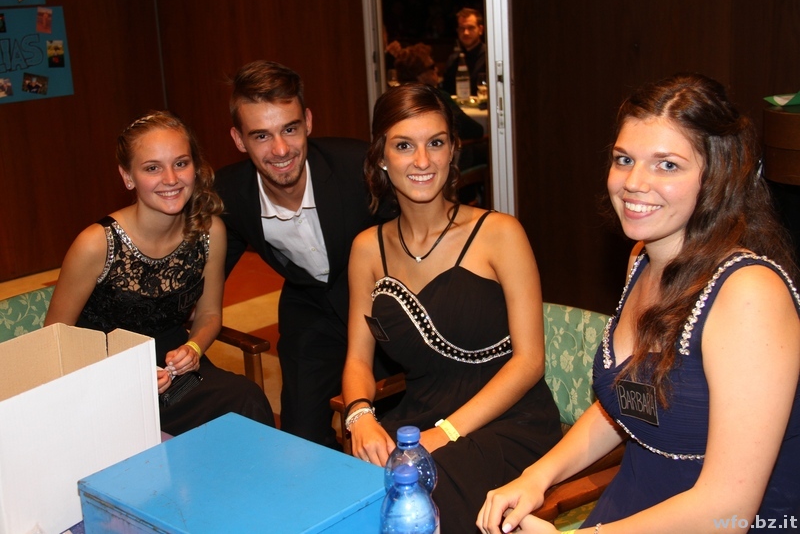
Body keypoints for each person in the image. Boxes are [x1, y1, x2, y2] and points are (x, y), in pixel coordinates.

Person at [478, 74, 800, 534]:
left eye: (667, 165)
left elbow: (728, 510)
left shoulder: (750, 295)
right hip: (634, 502)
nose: (634, 182)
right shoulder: (641, 259)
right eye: (624, 159)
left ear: (718, 176)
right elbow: (628, 401)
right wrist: (536, 476)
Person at [342, 83, 562, 534]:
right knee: (348, 499)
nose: (423, 161)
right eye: (404, 145)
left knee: (415, 506)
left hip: (508, 423)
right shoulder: (367, 249)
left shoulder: (500, 234)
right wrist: (360, 415)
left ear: (453, 150)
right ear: (381, 156)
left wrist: (446, 432)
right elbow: (358, 360)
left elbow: (529, 362)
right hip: (417, 421)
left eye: (436, 143)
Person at [45, 111, 275, 436]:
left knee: (245, 399)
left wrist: (194, 349)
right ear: (128, 176)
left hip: (173, 371)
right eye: (152, 168)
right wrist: (123, 376)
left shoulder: (209, 232)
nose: (171, 179)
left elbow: (209, 315)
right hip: (102, 378)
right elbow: (54, 340)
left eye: (181, 163)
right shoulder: (96, 244)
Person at [214, 60, 391, 448]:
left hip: (380, 305)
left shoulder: (358, 167)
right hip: (310, 309)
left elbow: (413, 236)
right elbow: (211, 269)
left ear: (308, 122)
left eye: (290, 129)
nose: (280, 150)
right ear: (239, 139)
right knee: (300, 443)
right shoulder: (229, 192)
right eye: (261, 136)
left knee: (394, 431)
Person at [395, 42, 484, 143]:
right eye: (432, 67)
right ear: (420, 74)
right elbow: (475, 130)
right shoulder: (437, 98)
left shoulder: (397, 98)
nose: (436, 69)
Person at [442, 7, 487, 97]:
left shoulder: (488, 57)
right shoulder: (453, 60)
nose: (466, 33)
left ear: (480, 30)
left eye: (471, 28)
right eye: (462, 28)